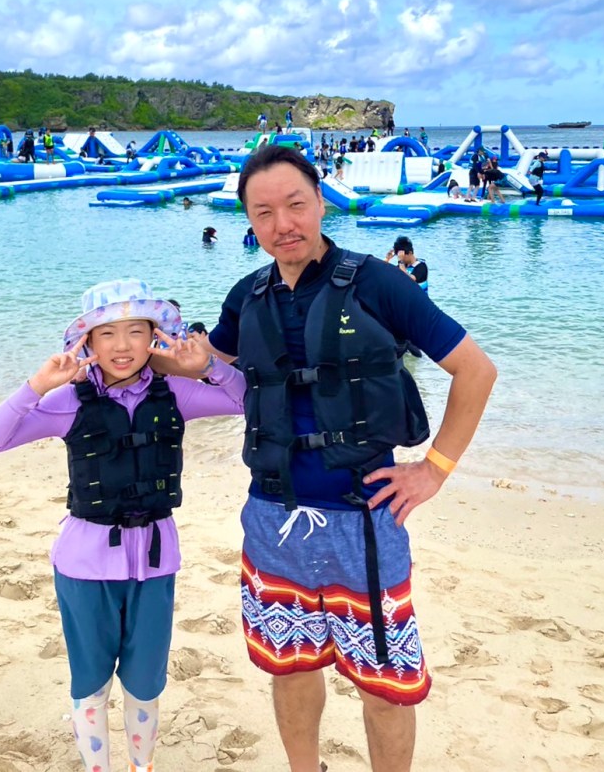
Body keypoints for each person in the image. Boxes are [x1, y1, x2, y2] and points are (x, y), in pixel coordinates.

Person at [202, 145, 496, 772]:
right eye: (263, 213)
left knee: (385, 686)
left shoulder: (377, 283)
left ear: (321, 201)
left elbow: (476, 370)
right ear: (248, 222)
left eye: (296, 205)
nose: (283, 224)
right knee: (289, 667)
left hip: (363, 519)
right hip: (273, 516)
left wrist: (434, 469)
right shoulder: (246, 296)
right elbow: (209, 370)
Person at [0, 279, 245, 772]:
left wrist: (207, 367)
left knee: (145, 685)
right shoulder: (69, 402)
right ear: (88, 344)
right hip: (84, 564)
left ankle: (142, 767)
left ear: (154, 338)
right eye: (107, 334)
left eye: (136, 332)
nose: (122, 346)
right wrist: (38, 385)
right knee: (92, 684)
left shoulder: (176, 395)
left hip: (156, 563)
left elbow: (246, 402)